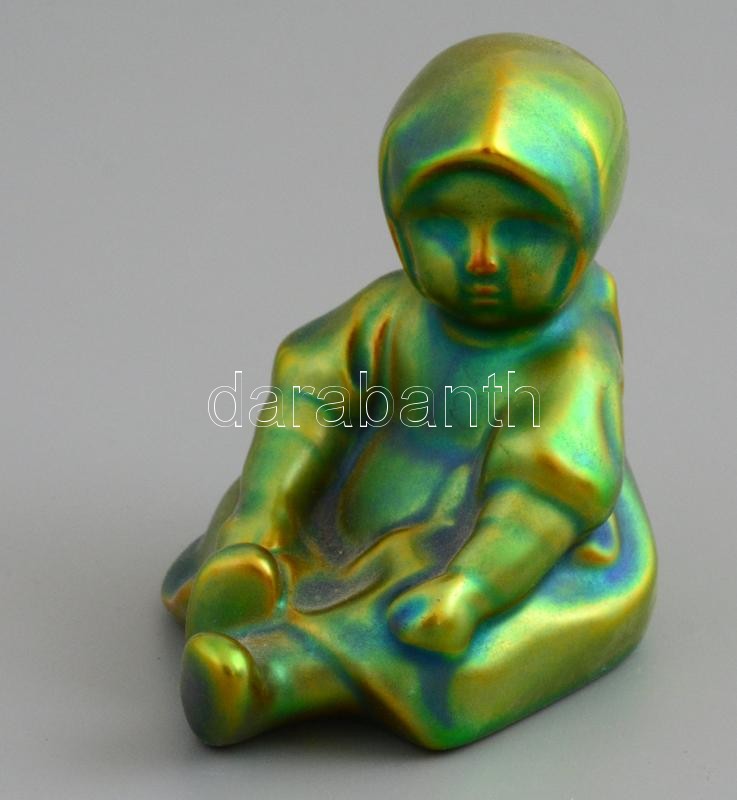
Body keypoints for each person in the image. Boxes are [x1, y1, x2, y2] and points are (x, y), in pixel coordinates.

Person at [162, 33, 656, 750]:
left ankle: (275, 677)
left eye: (523, 229)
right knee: (259, 502)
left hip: (504, 544)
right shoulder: (396, 312)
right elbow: (311, 384)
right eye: (445, 223)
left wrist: (471, 588)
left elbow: (543, 493)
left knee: (449, 647)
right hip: (349, 506)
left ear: (584, 233)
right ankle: (252, 560)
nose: (481, 259)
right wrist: (269, 506)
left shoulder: (570, 357)